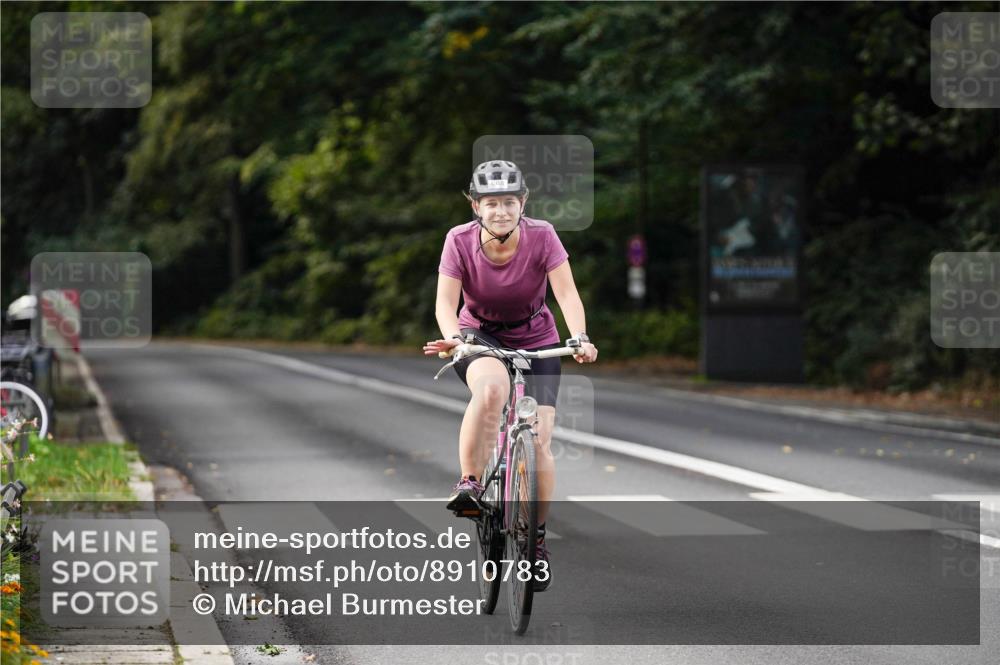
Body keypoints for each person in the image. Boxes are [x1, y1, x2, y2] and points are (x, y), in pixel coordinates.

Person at [422, 160, 598, 592]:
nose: (500, 211)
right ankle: (470, 483)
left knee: (539, 442)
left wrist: (579, 336)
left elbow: (566, 293)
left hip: (537, 337)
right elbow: (445, 302)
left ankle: (535, 540)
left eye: (508, 202)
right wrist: (455, 339)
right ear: (475, 206)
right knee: (493, 388)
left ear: (522, 203)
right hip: (478, 336)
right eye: (490, 203)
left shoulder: (543, 236)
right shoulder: (459, 240)